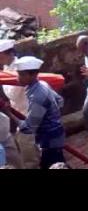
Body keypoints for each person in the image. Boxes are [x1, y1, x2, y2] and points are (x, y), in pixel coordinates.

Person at [0, 56, 65, 169]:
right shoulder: (43, 84)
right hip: (54, 132)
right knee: (58, 160)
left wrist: (9, 113)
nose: (18, 78)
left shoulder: (37, 96)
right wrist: (50, 115)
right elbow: (60, 101)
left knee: (51, 163)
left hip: (48, 137)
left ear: (32, 75)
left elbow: (28, 128)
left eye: (21, 75)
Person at [0, 39, 38, 168]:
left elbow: (12, 93)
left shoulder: (19, 68)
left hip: (28, 112)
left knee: (28, 150)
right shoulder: (6, 68)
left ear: (5, 54)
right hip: (20, 111)